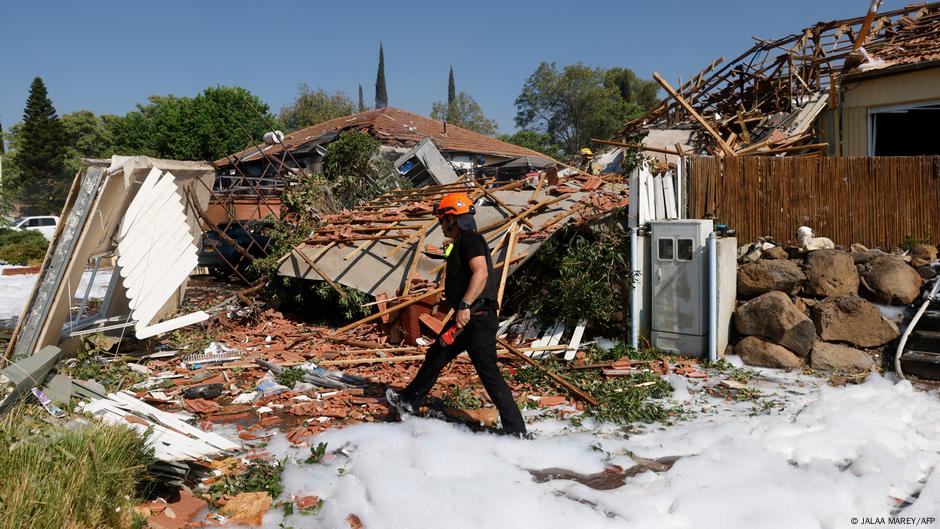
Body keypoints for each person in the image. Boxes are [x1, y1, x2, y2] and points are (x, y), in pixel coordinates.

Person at [386, 192, 527, 436]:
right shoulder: (461, 243)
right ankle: (408, 400)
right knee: (437, 354)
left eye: (442, 220)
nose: (441, 226)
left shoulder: (471, 240)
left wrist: (464, 306)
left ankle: (517, 431)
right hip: (469, 318)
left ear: (452, 219)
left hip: (475, 316)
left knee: (488, 372)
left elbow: (480, 273)